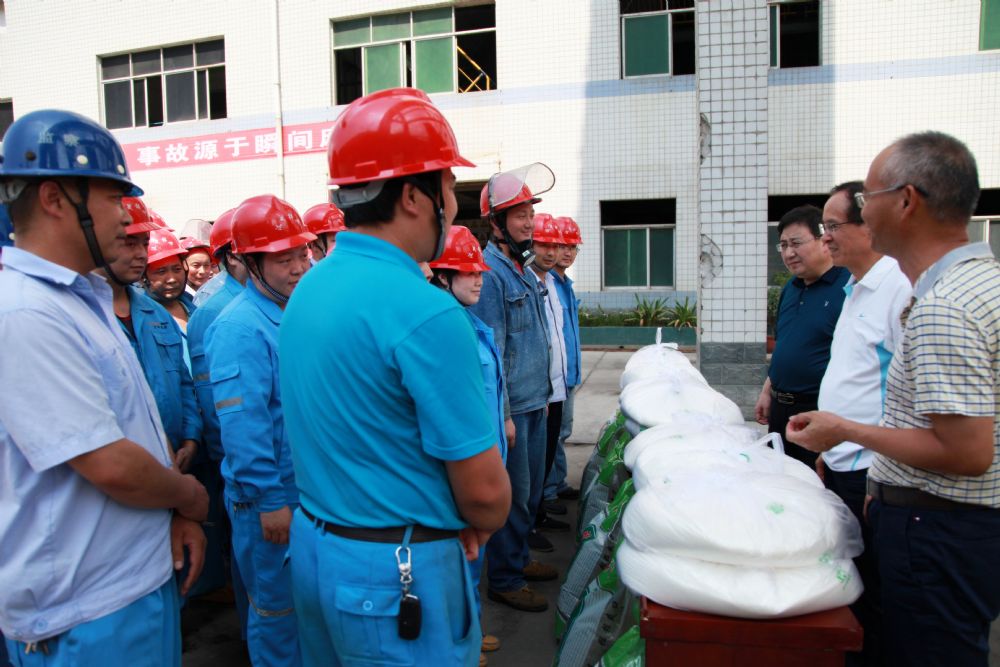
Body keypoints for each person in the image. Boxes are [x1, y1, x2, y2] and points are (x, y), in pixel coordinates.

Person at [279, 87, 511, 667]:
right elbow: (485, 494)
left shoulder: (310, 287)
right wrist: (479, 520)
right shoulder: (427, 311)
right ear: (413, 196)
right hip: (395, 575)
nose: (454, 204)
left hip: (318, 550)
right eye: (448, 186)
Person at [0, 109, 207, 665]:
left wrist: (172, 517)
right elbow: (110, 462)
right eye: (114, 198)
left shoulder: (82, 299)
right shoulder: (25, 311)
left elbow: (134, 423)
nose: (125, 214)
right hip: (85, 615)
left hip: (130, 584)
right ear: (54, 198)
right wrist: (188, 496)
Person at [787, 132, 1000, 667]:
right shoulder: (974, 284)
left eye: (867, 199)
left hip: (938, 530)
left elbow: (968, 451)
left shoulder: (943, 306)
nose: (856, 217)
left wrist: (845, 432)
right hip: (941, 519)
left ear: (906, 202)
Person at [205, 194, 314, 667]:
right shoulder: (240, 328)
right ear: (250, 263)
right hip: (269, 499)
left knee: (303, 610)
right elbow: (243, 426)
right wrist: (268, 500)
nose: (299, 267)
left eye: (301, 254)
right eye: (283, 259)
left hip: (305, 491)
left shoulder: (293, 312)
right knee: (277, 613)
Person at [815, 180, 912, 666]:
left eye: (833, 226)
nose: (825, 238)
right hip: (842, 460)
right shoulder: (855, 289)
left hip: (873, 470)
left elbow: (907, 396)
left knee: (874, 594)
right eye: (823, 227)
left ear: (868, 225)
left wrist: (874, 467)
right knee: (853, 586)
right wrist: (828, 451)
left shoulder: (898, 289)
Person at [469, 163, 558, 612]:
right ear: (497, 222)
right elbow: (493, 353)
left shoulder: (520, 269)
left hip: (534, 402)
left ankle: (518, 560)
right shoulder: (490, 274)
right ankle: (504, 578)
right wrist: (502, 415)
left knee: (531, 492)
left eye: (530, 213)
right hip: (514, 411)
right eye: (520, 214)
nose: (529, 222)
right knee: (514, 497)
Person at [429, 224, 509, 667]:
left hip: (486, 457)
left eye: (479, 271)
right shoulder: (446, 329)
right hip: (463, 472)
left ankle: (471, 631)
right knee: (460, 561)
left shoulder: (469, 322)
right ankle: (461, 644)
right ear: (443, 276)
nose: (479, 279)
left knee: (471, 561)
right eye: (468, 272)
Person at [100, 197, 203, 473]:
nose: (140, 254)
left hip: (178, 457)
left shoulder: (156, 315)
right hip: (127, 469)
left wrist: (191, 438)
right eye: (129, 243)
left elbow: (183, 382)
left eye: (144, 243)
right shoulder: (87, 316)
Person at [187, 207, 251, 617]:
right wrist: (231, 458)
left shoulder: (260, 297)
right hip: (240, 457)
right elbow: (213, 399)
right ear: (230, 257)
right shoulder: (214, 308)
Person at [754, 204, 849, 467]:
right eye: (783, 245)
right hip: (780, 409)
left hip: (819, 411)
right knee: (780, 478)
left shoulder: (847, 287)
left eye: (796, 243)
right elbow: (784, 344)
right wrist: (768, 390)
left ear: (823, 239)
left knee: (814, 485)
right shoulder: (791, 289)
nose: (789, 253)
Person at [528, 214, 570, 535]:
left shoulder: (553, 284)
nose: (552, 252)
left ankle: (539, 514)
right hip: (538, 392)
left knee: (545, 458)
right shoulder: (526, 282)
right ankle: (528, 526)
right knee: (531, 465)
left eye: (556, 245)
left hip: (556, 388)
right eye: (544, 244)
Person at [543, 216, 583, 512]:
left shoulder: (565, 284)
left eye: (572, 247)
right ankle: (548, 492)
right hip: (555, 375)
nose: (567, 253)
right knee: (552, 434)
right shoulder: (547, 284)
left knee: (562, 431)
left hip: (569, 374)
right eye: (562, 246)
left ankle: (557, 483)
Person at [145, 228, 197, 351]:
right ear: (143, 276)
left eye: (177, 269)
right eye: (161, 271)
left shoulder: (193, 307)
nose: (172, 279)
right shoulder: (141, 317)